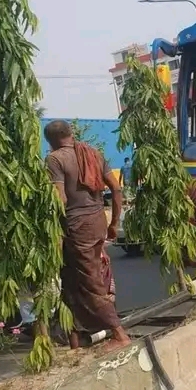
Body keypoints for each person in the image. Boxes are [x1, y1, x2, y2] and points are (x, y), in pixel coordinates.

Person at [44, 120, 130, 351]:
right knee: (71, 281)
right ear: (71, 134)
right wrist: (114, 222)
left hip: (76, 225)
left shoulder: (55, 159)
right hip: (98, 219)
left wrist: (48, 224)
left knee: (90, 281)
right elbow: (116, 188)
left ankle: (119, 334)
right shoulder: (93, 153)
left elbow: (60, 199)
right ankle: (75, 341)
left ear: (50, 141)